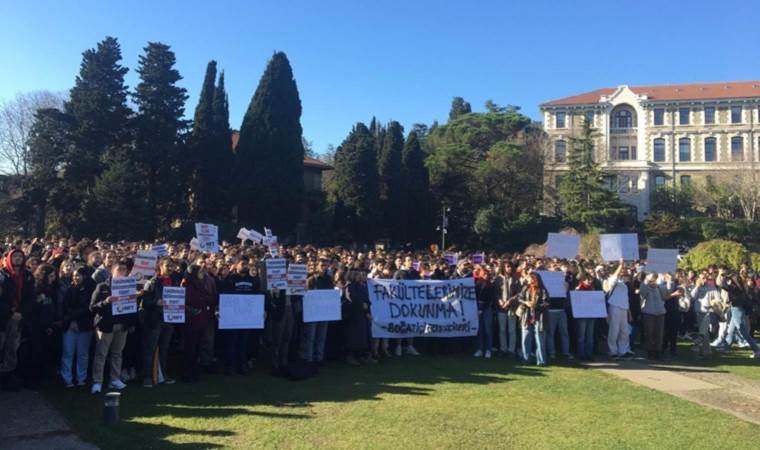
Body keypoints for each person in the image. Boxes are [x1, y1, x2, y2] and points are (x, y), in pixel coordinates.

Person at [90, 260, 135, 394]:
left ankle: (114, 379)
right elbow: (92, 307)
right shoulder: (102, 286)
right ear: (112, 271)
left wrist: (130, 324)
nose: (122, 272)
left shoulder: (129, 287)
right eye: (119, 269)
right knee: (101, 355)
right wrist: (105, 301)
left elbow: (131, 308)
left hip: (121, 326)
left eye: (124, 270)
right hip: (106, 326)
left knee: (117, 354)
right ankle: (97, 382)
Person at [139, 258, 181, 387]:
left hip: (169, 319)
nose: (170, 268)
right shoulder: (152, 282)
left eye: (172, 266)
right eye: (167, 266)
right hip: (155, 320)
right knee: (150, 349)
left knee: (164, 349)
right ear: (160, 266)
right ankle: (147, 376)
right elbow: (143, 303)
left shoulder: (175, 281)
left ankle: (162, 375)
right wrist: (155, 302)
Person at [0, 248, 35, 391]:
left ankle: (7, 378)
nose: (18, 259)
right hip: (3, 318)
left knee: (12, 349)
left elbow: (30, 298)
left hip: (19, 318)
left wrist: (21, 312)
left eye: (21, 256)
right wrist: (9, 312)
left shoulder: (27, 276)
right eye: (15, 256)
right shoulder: (2, 275)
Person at [60, 267, 95, 387]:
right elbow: (65, 308)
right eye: (74, 275)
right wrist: (71, 321)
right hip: (69, 325)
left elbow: (87, 308)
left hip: (84, 326)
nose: (76, 278)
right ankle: (67, 379)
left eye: (79, 275)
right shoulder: (69, 290)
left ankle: (81, 379)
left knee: (83, 354)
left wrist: (76, 320)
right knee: (68, 353)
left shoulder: (91, 290)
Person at [181, 264, 213, 382]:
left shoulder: (200, 285)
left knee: (197, 348)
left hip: (200, 321)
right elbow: (194, 301)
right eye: (199, 273)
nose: (202, 275)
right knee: (190, 348)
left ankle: (194, 371)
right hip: (191, 322)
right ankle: (187, 373)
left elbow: (208, 298)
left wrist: (204, 301)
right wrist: (203, 302)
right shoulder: (187, 286)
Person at [302, 259, 332, 365]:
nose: (324, 267)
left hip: (324, 311)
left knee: (321, 336)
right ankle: (309, 358)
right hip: (313, 312)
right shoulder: (311, 280)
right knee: (311, 336)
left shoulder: (329, 279)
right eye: (322, 265)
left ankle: (319, 358)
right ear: (317, 267)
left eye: (325, 265)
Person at [392, 256, 421, 356]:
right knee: (401, 324)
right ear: (404, 262)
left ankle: (410, 346)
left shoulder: (415, 273)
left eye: (412, 260)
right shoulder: (399, 273)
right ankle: (398, 346)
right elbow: (393, 286)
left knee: (411, 324)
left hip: (412, 302)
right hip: (401, 303)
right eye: (408, 260)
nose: (411, 262)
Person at [518, 272, 549, 366]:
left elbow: (546, 302)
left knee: (539, 339)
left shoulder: (543, 290)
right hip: (526, 316)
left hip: (539, 317)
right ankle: (526, 359)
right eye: (530, 278)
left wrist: (536, 306)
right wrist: (526, 303)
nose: (531, 280)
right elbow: (519, 298)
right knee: (525, 338)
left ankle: (541, 361)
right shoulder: (525, 288)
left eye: (533, 278)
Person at [605, 259, 633, 359]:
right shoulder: (612, 279)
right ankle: (612, 351)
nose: (623, 271)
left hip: (624, 308)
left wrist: (629, 313)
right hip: (615, 306)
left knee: (624, 331)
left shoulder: (623, 282)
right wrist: (620, 265)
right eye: (621, 270)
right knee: (614, 330)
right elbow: (615, 277)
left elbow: (626, 298)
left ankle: (623, 350)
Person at [638, 272, 668, 360]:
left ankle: (658, 351)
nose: (653, 279)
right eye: (652, 277)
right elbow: (643, 294)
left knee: (659, 333)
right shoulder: (644, 285)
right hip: (649, 312)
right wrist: (648, 284)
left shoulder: (659, 286)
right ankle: (650, 351)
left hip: (660, 312)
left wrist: (658, 286)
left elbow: (665, 295)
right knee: (649, 332)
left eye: (655, 277)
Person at [495, 261, 521, 357]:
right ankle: (503, 348)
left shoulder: (516, 279)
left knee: (511, 330)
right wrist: (500, 300)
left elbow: (519, 293)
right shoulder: (498, 279)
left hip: (512, 307)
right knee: (502, 330)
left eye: (510, 266)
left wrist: (510, 301)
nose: (509, 268)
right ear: (503, 268)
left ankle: (511, 350)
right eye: (507, 266)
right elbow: (495, 292)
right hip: (501, 308)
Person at [267, 286, 293, 376]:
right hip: (279, 309)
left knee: (287, 337)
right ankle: (275, 365)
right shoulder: (276, 276)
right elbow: (269, 296)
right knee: (277, 339)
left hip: (290, 308)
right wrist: (275, 295)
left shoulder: (291, 276)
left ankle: (283, 363)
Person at [473, 266, 497, 358]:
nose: (486, 276)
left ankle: (488, 350)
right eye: (485, 274)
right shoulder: (477, 285)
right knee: (480, 330)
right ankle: (480, 349)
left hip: (487, 309)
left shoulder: (491, 285)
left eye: (488, 274)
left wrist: (482, 309)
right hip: (478, 308)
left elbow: (489, 300)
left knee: (488, 330)